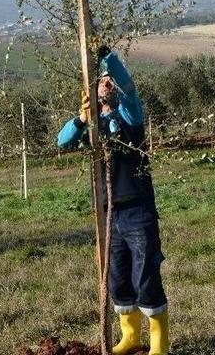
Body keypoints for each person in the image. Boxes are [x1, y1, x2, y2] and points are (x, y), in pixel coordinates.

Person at [56, 47, 169, 355]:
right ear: (90, 92)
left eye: (109, 81)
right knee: (117, 275)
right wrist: (81, 118)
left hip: (138, 209)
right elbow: (62, 142)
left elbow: (129, 88)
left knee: (145, 275)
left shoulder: (130, 114)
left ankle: (159, 344)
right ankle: (130, 337)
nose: (106, 84)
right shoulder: (92, 127)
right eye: (100, 81)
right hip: (108, 214)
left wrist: (108, 60)